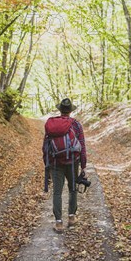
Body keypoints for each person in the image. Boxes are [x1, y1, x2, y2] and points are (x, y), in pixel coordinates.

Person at [43, 98, 87, 232]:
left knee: (57, 192)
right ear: (70, 111)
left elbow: (46, 146)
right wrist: (83, 165)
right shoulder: (76, 125)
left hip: (56, 163)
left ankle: (58, 223)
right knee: (72, 189)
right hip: (73, 162)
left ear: (60, 110)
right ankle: (72, 218)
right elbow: (82, 145)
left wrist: (47, 164)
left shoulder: (51, 125)